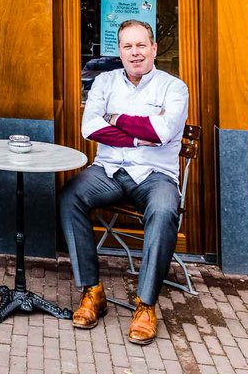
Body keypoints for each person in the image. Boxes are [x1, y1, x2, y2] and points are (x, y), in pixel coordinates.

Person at [59, 19, 189, 345]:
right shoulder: (104, 82)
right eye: (128, 46)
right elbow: (89, 128)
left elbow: (161, 132)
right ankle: (92, 291)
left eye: (141, 45)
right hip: (109, 170)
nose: (135, 53)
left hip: (155, 175)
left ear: (154, 48)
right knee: (70, 196)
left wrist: (115, 119)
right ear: (119, 51)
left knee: (163, 211)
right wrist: (135, 138)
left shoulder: (174, 87)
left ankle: (145, 305)